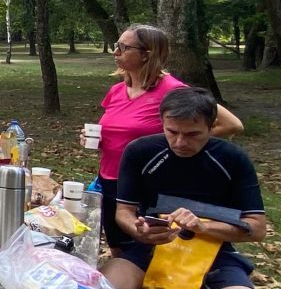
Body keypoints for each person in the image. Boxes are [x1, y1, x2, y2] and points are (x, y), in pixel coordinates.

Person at [95, 25, 244, 253]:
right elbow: (116, 131)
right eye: (117, 45)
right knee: (118, 249)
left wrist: (177, 142)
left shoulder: (173, 90)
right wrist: (97, 138)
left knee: (149, 251)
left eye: (124, 47)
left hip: (147, 182)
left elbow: (232, 124)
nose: (116, 52)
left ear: (147, 54)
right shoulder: (117, 90)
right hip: (110, 179)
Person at [102, 87, 268, 289]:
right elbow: (124, 212)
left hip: (215, 251)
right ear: (162, 122)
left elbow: (257, 228)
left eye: (192, 134)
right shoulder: (140, 151)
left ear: (212, 126)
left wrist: (203, 227)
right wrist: (139, 232)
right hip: (152, 247)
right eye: (172, 132)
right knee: (103, 284)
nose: (180, 142)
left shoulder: (232, 158)